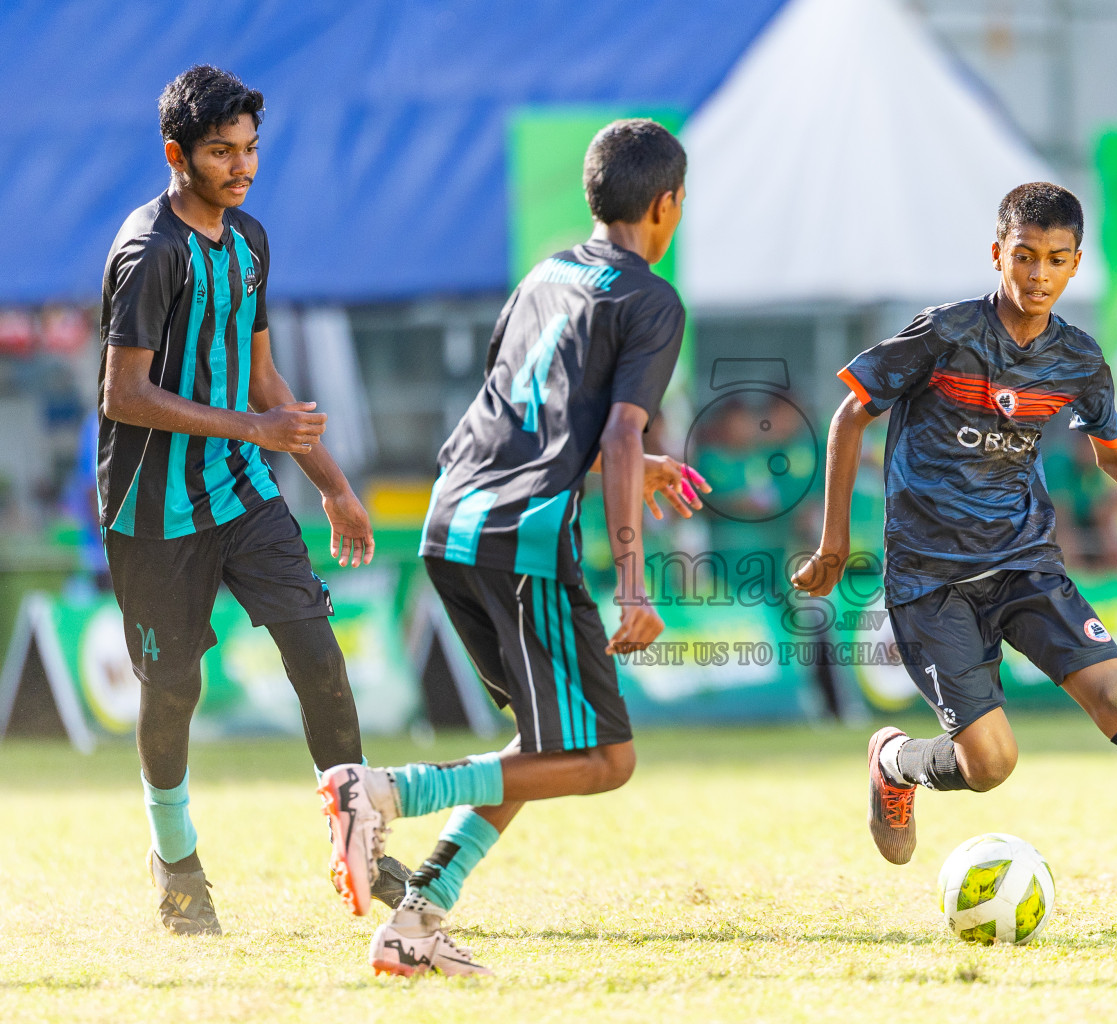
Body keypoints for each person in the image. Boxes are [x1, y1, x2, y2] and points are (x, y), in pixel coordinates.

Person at [790, 182, 1117, 935]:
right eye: (1024, 257)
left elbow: (1116, 456)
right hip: (931, 581)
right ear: (998, 253)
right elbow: (850, 411)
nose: (1037, 275)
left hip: (1026, 565)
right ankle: (895, 762)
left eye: (1056, 261)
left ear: (1075, 266)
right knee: (991, 764)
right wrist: (835, 543)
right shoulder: (946, 335)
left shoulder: (1077, 359)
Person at [317, 119, 705, 977]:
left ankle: (414, 924)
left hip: (453, 518)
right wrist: (635, 584)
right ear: (668, 204)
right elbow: (613, 429)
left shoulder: (546, 274)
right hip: (520, 540)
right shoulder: (650, 300)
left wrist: (633, 466)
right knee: (603, 758)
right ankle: (379, 791)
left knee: (541, 748)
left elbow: (539, 412)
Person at [97, 65, 409, 936]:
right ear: (176, 155)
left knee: (319, 657)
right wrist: (249, 428)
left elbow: (266, 376)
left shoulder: (251, 240)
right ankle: (176, 861)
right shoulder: (150, 252)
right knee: (174, 689)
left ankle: (359, 846)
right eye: (221, 153)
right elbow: (123, 394)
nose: (241, 167)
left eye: (249, 150)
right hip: (155, 510)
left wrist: (337, 490)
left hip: (243, 491)